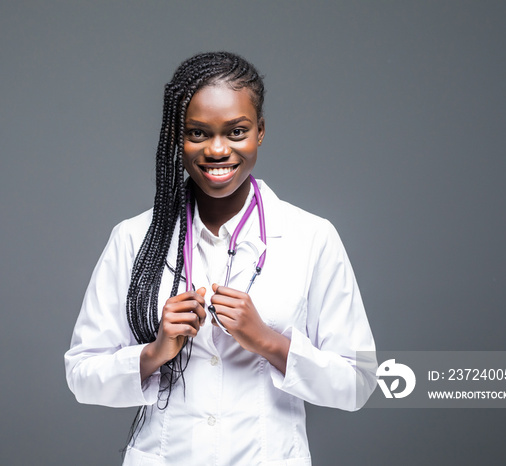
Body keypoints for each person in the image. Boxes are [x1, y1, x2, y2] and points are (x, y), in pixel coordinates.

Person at [65, 51, 376, 466]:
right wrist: (154, 352)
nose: (216, 150)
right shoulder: (133, 238)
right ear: (178, 136)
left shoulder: (312, 238)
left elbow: (357, 383)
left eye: (236, 131)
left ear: (260, 131)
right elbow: (82, 376)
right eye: (197, 132)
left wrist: (268, 342)